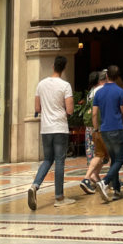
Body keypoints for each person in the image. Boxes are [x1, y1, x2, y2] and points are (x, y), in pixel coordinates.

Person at [27, 55, 75, 210]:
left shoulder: (41, 84)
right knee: (60, 161)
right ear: (64, 68)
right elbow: (70, 109)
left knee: (48, 160)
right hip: (60, 127)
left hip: (46, 129)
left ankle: (35, 186)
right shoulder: (65, 85)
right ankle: (59, 197)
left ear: (53, 66)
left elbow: (37, 108)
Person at [92, 65, 123, 201]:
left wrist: (96, 129)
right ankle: (105, 182)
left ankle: (117, 190)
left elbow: (94, 114)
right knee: (119, 159)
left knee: (114, 159)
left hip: (104, 130)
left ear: (106, 76)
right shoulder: (119, 91)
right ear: (117, 77)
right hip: (116, 128)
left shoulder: (98, 92)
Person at [79, 70, 107, 195]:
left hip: (89, 126)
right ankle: (90, 177)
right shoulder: (101, 90)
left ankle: (95, 177)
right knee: (102, 153)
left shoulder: (91, 92)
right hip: (98, 126)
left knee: (97, 153)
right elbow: (96, 112)